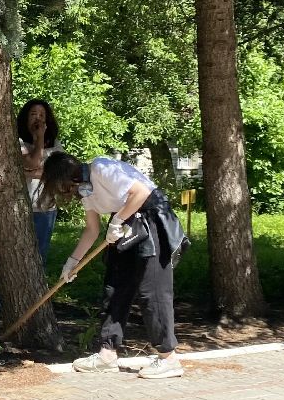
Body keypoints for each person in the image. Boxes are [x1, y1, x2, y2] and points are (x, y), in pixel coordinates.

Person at [42, 151, 190, 379]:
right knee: (115, 286)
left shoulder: (101, 168)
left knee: (152, 290)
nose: (68, 194)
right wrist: (72, 262)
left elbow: (141, 192)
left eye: (64, 188)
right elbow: (92, 229)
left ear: (70, 178)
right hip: (125, 221)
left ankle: (168, 358)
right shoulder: (85, 190)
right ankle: (107, 354)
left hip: (151, 218)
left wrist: (118, 220)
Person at [17, 99, 61, 264]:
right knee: (19, 257)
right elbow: (32, 163)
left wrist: (30, 172)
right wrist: (39, 140)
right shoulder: (18, 142)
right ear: (25, 118)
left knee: (39, 256)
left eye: (42, 115)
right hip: (21, 208)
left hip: (46, 208)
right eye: (33, 114)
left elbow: (60, 173)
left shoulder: (55, 145)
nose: (38, 119)